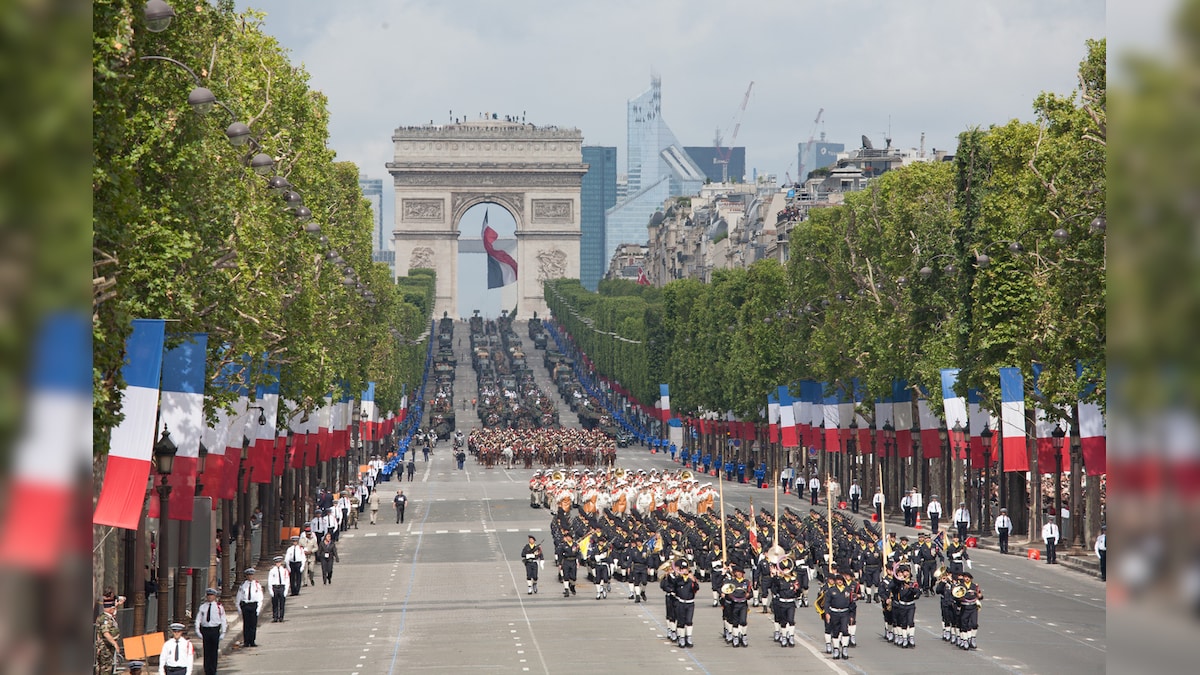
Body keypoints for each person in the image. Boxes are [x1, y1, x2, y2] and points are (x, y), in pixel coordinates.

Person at [194, 588, 226, 675]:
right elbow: (198, 619)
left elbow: (223, 620)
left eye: (211, 595)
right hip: (206, 630)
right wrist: (197, 630)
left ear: (215, 596)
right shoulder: (203, 607)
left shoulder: (219, 607)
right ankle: (207, 670)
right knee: (207, 651)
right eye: (208, 595)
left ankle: (213, 670)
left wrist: (223, 632)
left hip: (215, 630)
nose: (210, 597)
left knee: (213, 651)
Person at [673, 560, 700, 648]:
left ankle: (688, 637)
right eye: (683, 569)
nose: (685, 571)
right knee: (681, 622)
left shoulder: (691, 580)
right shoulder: (678, 579)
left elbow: (696, 588)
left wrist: (693, 580)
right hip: (681, 603)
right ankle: (681, 638)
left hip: (690, 603)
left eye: (686, 569)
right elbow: (674, 585)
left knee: (689, 621)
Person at [235, 567, 265, 647]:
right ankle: (246, 641)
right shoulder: (243, 585)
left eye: (251, 575)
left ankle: (252, 641)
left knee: (253, 624)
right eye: (248, 575)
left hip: (253, 605)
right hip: (246, 605)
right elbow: (239, 597)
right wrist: (239, 608)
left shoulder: (257, 584)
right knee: (246, 624)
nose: (250, 577)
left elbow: (260, 597)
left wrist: (258, 608)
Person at [95, 593, 123, 675]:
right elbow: (106, 633)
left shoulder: (108, 616)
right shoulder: (105, 619)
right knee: (105, 669)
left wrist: (116, 605)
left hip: (107, 648)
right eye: (113, 608)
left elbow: (113, 614)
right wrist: (115, 644)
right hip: (105, 648)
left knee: (107, 668)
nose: (114, 609)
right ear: (110, 608)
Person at [267, 556, 289, 622]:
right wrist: (271, 590)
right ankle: (275, 617)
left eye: (279, 562)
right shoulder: (272, 571)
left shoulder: (284, 570)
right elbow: (270, 581)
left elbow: (287, 580)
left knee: (282, 603)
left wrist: (286, 590)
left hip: (282, 587)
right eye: (277, 562)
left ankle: (281, 617)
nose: (278, 564)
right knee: (275, 603)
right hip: (275, 587)